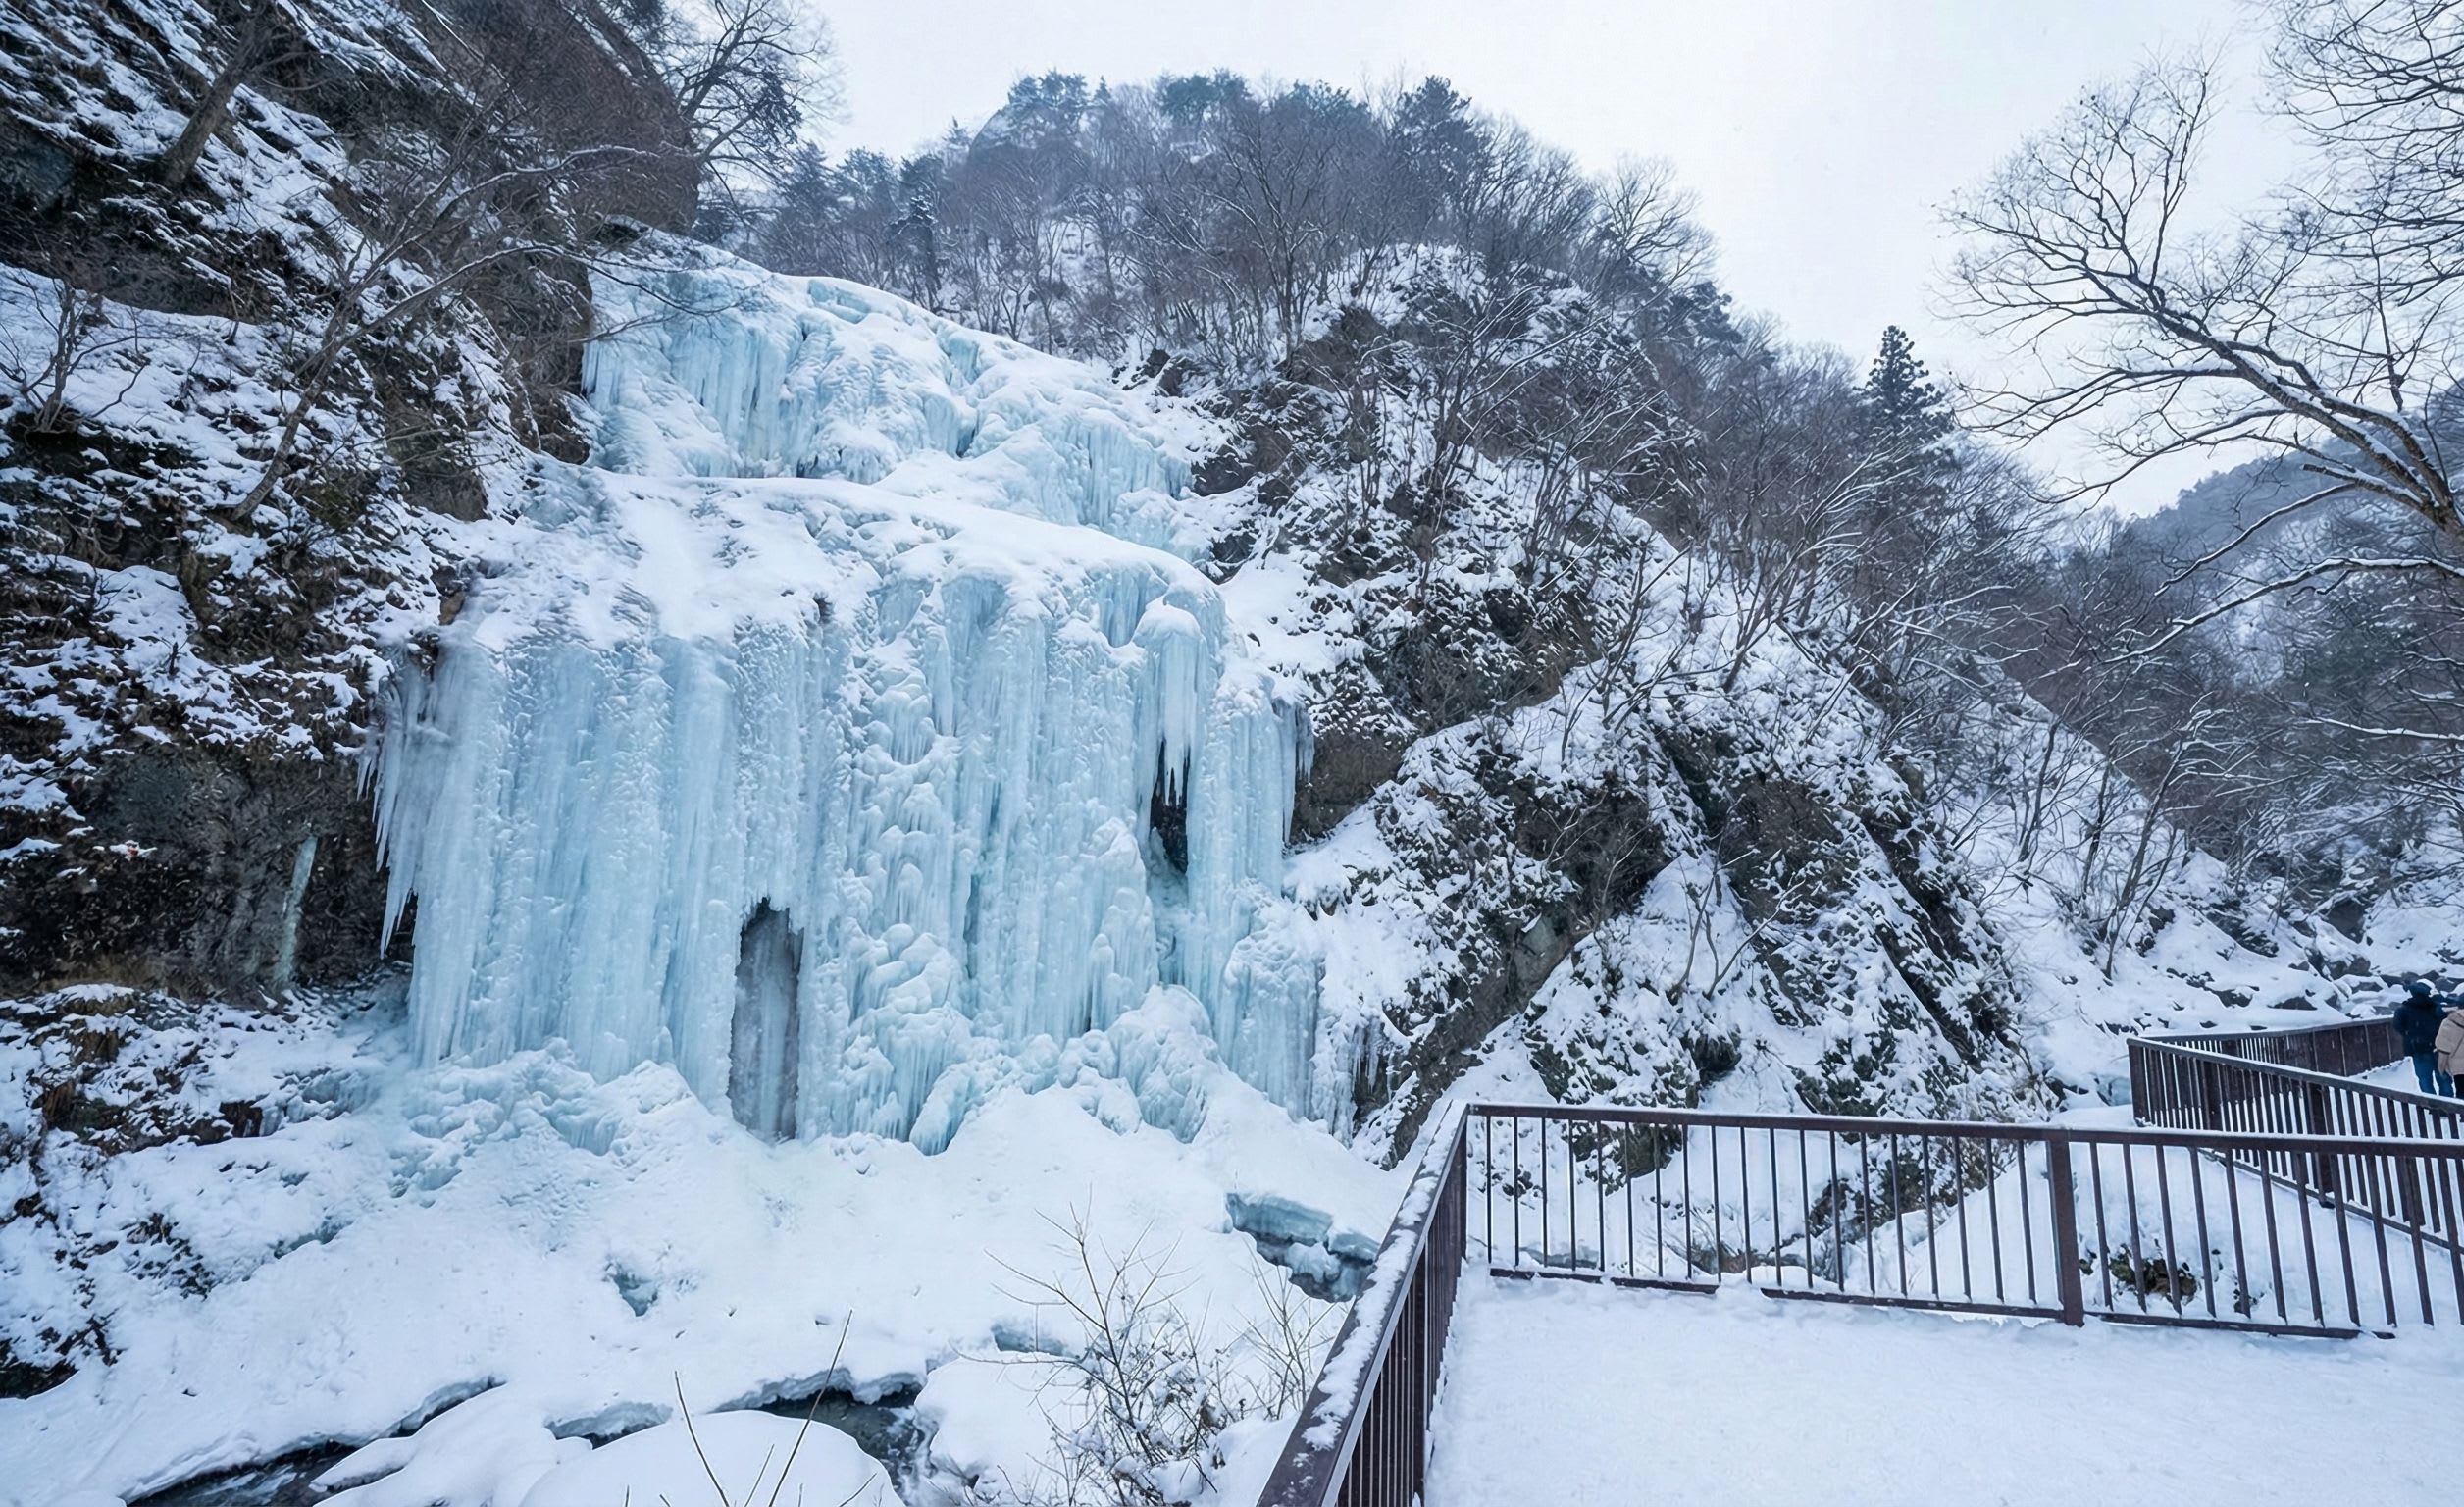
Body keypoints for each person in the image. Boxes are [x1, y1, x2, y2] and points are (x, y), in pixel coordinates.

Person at [2394, 980, 2456, 1097]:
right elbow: (2445, 1024)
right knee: (2443, 1077)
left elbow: (2398, 1026)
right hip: (2438, 1047)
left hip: (2418, 1048)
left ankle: (2430, 1104)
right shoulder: (2435, 1007)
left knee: (2424, 1080)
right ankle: (2448, 1103)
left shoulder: (2403, 1009)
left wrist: (2411, 1036)